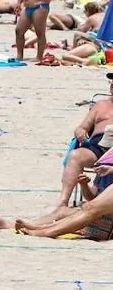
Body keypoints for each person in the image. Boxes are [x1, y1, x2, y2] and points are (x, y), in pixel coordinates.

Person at [0, 161, 113, 241]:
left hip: (105, 223)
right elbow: (92, 197)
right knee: (73, 210)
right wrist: (84, 185)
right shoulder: (107, 160)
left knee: (89, 209)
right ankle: (35, 228)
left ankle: (43, 231)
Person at [50, 78, 113, 208]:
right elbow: (82, 127)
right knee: (75, 156)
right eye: (112, 82)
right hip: (98, 146)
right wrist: (80, 132)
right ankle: (62, 203)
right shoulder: (100, 105)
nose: (112, 85)